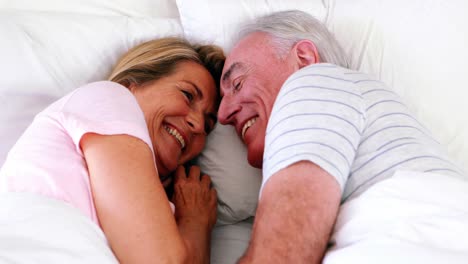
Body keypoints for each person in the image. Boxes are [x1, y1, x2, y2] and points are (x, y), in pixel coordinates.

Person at [217, 10, 467, 263]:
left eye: (237, 83)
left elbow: (280, 255)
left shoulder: (311, 82)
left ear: (303, 58)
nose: (223, 114)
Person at [0, 37, 225, 263]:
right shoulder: (110, 98)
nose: (198, 124)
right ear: (132, 84)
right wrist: (196, 221)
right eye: (187, 95)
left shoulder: (171, 212)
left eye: (208, 124)